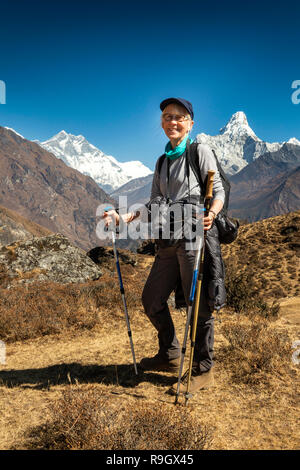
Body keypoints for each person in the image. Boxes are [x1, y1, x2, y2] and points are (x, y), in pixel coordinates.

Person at [102, 97, 226, 394]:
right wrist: (124, 216)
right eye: (168, 117)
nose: (172, 121)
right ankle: (170, 354)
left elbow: (218, 190)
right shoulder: (162, 161)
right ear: (162, 122)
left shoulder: (200, 152)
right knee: (152, 299)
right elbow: (154, 204)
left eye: (179, 117)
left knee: (199, 305)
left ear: (190, 123)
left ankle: (201, 370)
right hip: (167, 240)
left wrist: (212, 212)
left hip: (194, 237)